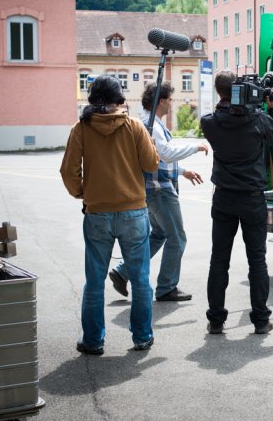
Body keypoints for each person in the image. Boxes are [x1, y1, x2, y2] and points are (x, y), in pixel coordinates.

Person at [60, 75, 159, 355]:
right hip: (133, 213)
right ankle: (141, 336)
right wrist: (148, 142)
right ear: (120, 99)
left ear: (92, 99)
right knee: (140, 279)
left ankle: (93, 340)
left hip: (97, 213)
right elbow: (151, 164)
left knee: (94, 280)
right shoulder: (135, 126)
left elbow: (68, 172)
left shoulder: (81, 128)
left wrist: (83, 193)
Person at [200, 71, 273, 335]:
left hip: (224, 197)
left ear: (219, 93)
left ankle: (216, 320)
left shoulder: (210, 123)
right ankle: (260, 320)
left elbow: (221, 116)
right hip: (251, 199)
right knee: (257, 261)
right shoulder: (258, 119)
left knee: (219, 260)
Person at [108, 82, 209, 302]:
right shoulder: (150, 124)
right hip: (159, 190)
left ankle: (122, 272)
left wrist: (182, 171)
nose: (172, 105)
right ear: (161, 101)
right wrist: (195, 147)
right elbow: (164, 153)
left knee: (160, 234)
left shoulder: (148, 122)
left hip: (152, 189)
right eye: (170, 100)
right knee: (177, 238)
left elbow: (156, 158)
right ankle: (166, 288)